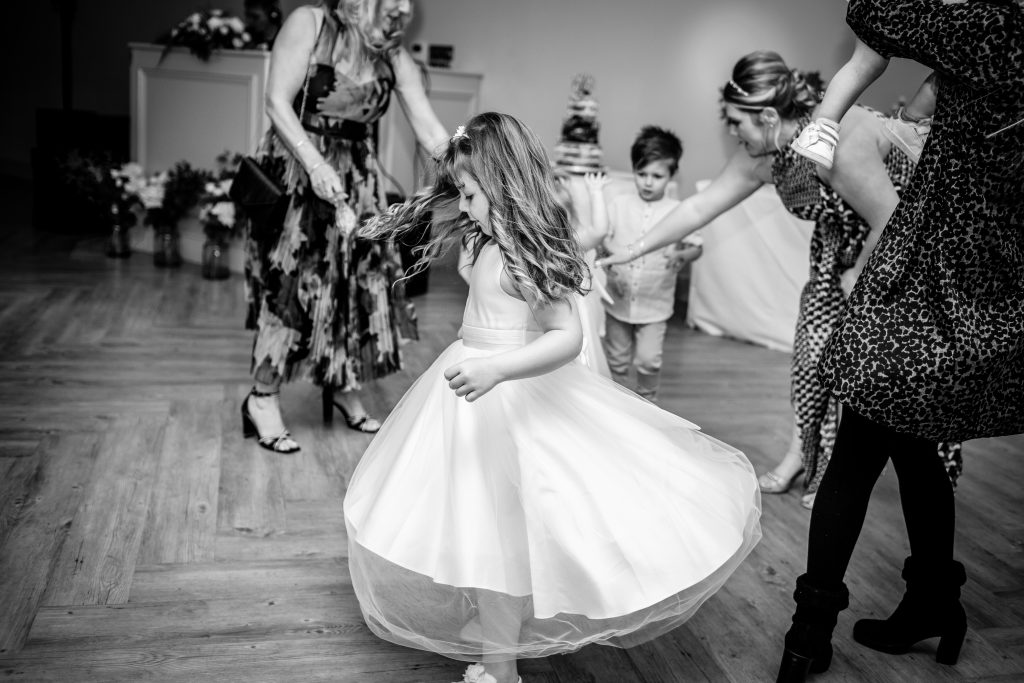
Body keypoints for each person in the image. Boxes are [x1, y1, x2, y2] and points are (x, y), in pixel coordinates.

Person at [344, 112, 762, 683]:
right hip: (467, 395)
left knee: (501, 532)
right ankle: (495, 629)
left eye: (470, 195)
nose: (463, 207)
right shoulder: (484, 236)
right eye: (461, 196)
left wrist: (498, 370)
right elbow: (455, 216)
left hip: (509, 395)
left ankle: (500, 666)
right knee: (474, 519)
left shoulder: (521, 254)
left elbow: (569, 338)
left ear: (500, 185)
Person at [776, 0, 1023, 680]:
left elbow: (872, 9)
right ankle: (934, 601)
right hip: (996, 289)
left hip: (929, 278)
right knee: (917, 443)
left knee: (859, 442)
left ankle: (808, 632)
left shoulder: (989, 31)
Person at [597, 51, 962, 509]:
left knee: (872, 378)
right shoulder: (762, 156)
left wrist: (857, 276)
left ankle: (857, 479)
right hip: (837, 252)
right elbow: (696, 209)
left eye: (736, 122)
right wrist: (630, 250)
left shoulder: (837, 141)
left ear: (768, 117)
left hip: (903, 255)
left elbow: (893, 221)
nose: (732, 132)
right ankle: (802, 460)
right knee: (810, 361)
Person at [241, 0, 448, 452]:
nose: (404, 8)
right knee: (291, 283)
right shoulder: (310, 23)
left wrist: (483, 166)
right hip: (297, 170)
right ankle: (262, 397)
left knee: (357, 283)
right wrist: (315, 167)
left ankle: (341, 380)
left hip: (358, 180)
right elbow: (276, 100)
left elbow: (432, 133)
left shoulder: (394, 55)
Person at [586, 126, 701, 402]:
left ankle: (647, 403)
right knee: (617, 360)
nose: (648, 182)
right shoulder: (619, 204)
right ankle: (622, 404)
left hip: (655, 304)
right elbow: (602, 241)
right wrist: (610, 263)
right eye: (642, 174)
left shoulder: (678, 211)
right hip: (617, 301)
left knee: (649, 360)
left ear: (672, 176)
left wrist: (681, 256)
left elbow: (697, 247)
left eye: (657, 176)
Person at [788, 0, 971, 169]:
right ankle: (911, 120)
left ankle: (822, 129)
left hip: (879, 8)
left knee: (864, 64)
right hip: (920, 10)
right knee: (966, 55)